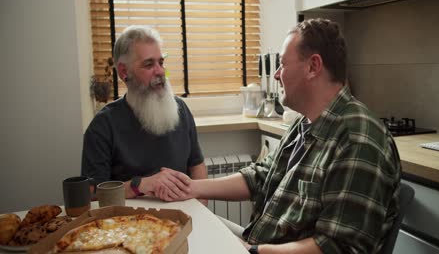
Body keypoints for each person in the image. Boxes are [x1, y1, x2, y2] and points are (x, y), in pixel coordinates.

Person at [168, 18, 402, 253]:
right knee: (185, 231)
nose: (277, 75)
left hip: (263, 250)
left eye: (282, 65)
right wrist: (193, 187)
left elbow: (336, 247)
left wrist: (254, 251)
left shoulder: (357, 140)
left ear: (313, 66)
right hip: (259, 243)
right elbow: (260, 177)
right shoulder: (304, 123)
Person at [81, 26, 205, 202]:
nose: (160, 71)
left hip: (188, 218)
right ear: (124, 72)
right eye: (149, 64)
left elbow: (197, 166)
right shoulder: (102, 126)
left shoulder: (181, 110)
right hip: (132, 225)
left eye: (161, 63)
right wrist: (139, 185)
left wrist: (201, 210)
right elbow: (91, 195)